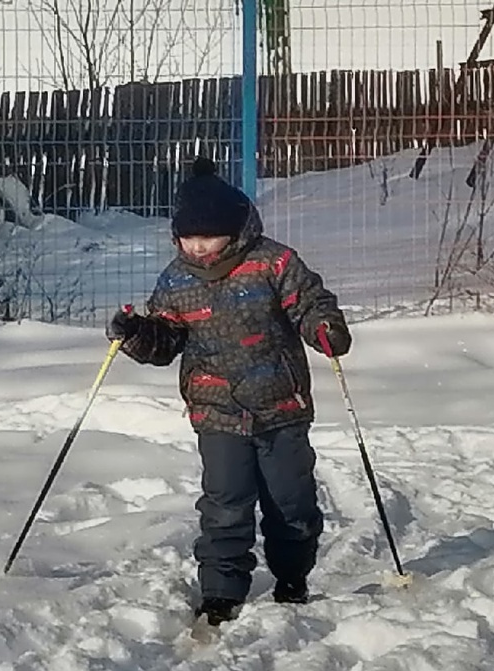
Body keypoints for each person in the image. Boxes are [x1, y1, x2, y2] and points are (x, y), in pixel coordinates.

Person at [107, 157, 352, 626]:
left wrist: (323, 327)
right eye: (188, 238)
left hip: (281, 406)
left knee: (291, 501)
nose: (198, 248)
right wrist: (135, 333)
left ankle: (292, 575)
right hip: (216, 412)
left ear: (236, 229)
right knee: (225, 504)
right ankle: (221, 590)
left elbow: (310, 301)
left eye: (209, 237)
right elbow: (165, 341)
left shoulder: (273, 262)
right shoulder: (176, 280)